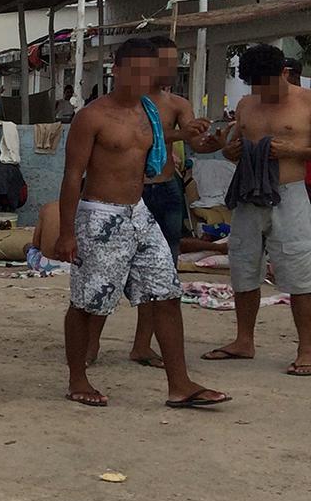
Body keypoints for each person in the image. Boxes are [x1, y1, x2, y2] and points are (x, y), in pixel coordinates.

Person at [55, 36, 229, 409]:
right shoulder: (92, 116)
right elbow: (72, 175)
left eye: (146, 72)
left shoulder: (149, 111)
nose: (139, 78)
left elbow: (158, 141)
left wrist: (197, 135)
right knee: (89, 301)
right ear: (115, 70)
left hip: (139, 214)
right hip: (100, 215)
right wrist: (67, 232)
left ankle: (179, 384)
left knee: (166, 293)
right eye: (132, 70)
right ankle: (77, 379)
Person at [88, 35, 218, 368]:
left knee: (161, 273)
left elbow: (196, 142)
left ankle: (142, 345)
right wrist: (181, 135)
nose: (172, 68)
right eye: (166, 62)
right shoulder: (122, 106)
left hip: (165, 190)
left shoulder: (176, 104)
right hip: (126, 195)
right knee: (107, 273)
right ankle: (89, 345)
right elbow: (147, 135)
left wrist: (215, 141)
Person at [201, 43, 311, 374]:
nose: (263, 92)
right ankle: (243, 340)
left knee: (299, 270)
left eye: (268, 84)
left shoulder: (307, 102)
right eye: (256, 86)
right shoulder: (246, 104)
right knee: (244, 265)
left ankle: (307, 348)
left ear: (285, 73)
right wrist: (229, 151)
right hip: (249, 195)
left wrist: (294, 149)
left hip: (289, 194)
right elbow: (234, 144)